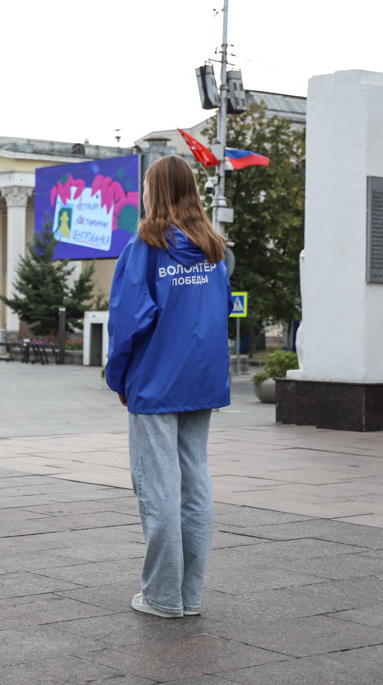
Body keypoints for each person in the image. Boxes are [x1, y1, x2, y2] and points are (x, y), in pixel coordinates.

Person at [106, 154, 230, 619]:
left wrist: (118, 377)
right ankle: (189, 595)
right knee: (195, 486)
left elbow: (128, 322)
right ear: (192, 190)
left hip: (157, 382)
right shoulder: (214, 249)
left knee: (158, 489)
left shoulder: (146, 247)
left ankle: (161, 597)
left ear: (153, 191)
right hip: (203, 379)